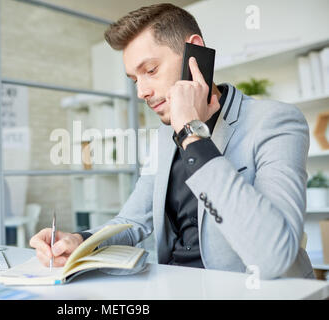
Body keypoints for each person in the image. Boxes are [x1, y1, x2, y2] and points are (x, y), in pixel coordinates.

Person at [30, 3, 314, 280]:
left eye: (151, 70)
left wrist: (192, 133)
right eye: (134, 79)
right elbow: (132, 221)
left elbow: (274, 256)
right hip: (174, 284)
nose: (142, 91)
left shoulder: (275, 121)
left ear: (195, 51)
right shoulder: (163, 140)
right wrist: (80, 240)